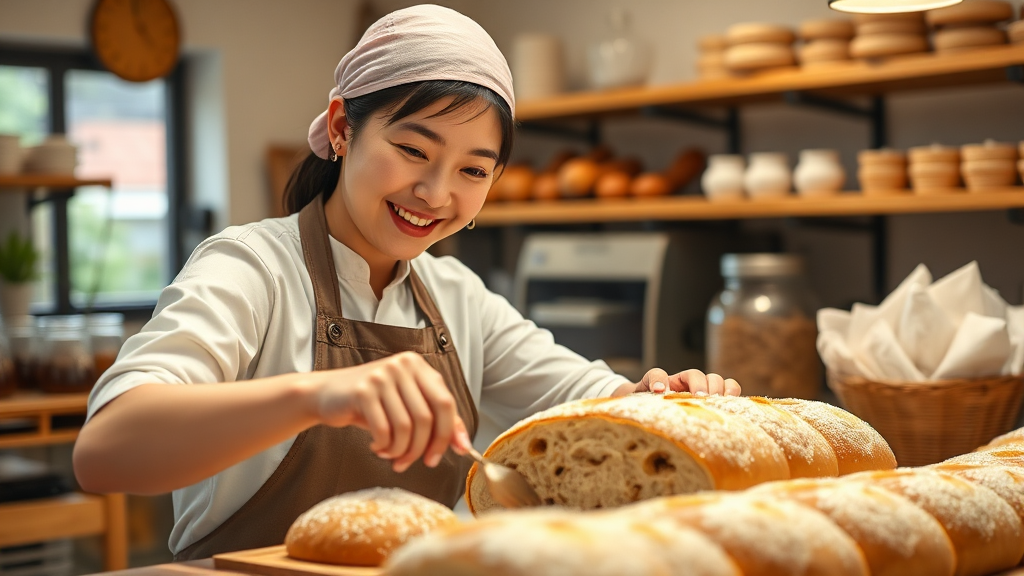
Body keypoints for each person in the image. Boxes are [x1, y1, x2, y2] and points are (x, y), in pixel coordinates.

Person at [72, 4, 741, 561]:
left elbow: (596, 402)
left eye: (473, 171)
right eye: (413, 151)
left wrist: (668, 397)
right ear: (341, 128)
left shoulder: (457, 298)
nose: (435, 193)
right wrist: (320, 393)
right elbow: (105, 452)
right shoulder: (251, 267)